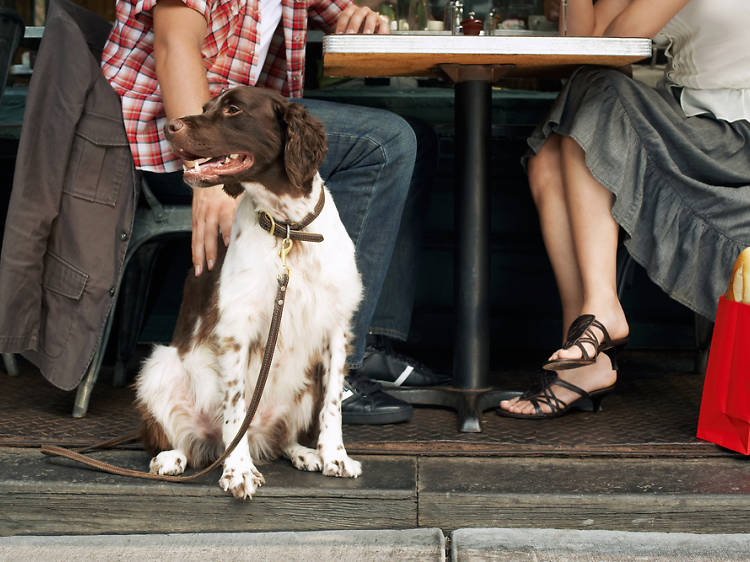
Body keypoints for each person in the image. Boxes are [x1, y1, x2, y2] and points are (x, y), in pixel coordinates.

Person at [100, 0, 441, 425]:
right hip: (168, 135)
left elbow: (338, 10)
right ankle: (331, 371)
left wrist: (363, 16)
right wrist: (205, 171)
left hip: (239, 134)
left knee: (417, 139)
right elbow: (173, 44)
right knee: (385, 144)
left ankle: (366, 342)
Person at [498, 0, 750, 418]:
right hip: (699, 124)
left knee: (597, 93)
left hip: (738, 135)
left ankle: (599, 312)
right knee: (551, 155)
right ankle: (585, 349)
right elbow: (588, 46)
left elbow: (616, 45)